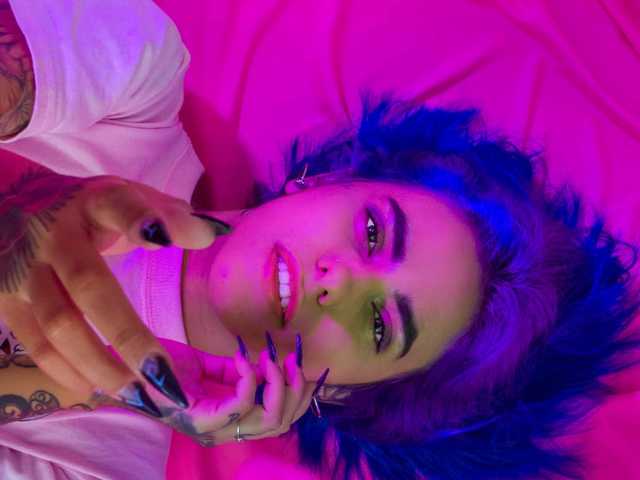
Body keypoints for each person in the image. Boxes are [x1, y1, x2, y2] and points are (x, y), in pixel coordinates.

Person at [1, 2, 640, 480]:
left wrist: (104, 384)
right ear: (327, 181)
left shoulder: (103, 466)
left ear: (339, 393)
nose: (341, 279)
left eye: (381, 326)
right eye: (373, 232)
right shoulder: (135, 74)